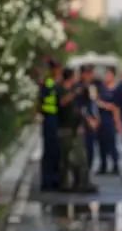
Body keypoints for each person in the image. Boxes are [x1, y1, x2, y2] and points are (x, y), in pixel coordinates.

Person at [56, 68, 98, 193]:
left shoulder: (77, 89)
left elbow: (80, 107)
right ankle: (65, 183)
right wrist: (74, 93)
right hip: (65, 127)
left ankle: (82, 183)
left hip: (77, 127)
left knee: (81, 157)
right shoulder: (60, 89)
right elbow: (62, 102)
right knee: (65, 157)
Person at [38, 59, 61, 191]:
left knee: (55, 151)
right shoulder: (50, 83)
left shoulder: (51, 83)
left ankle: (53, 179)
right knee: (50, 151)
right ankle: (48, 181)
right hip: (50, 119)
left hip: (53, 119)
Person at [94, 67, 121, 175]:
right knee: (101, 143)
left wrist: (118, 121)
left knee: (111, 143)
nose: (107, 77)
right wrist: (105, 105)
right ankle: (103, 165)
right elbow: (96, 100)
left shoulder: (116, 89)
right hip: (101, 118)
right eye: (106, 75)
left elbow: (117, 106)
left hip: (110, 120)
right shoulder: (101, 88)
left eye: (109, 75)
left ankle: (115, 165)